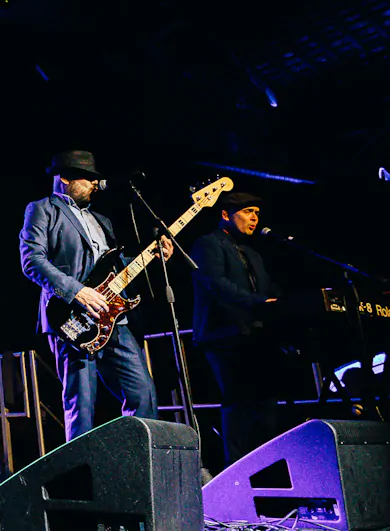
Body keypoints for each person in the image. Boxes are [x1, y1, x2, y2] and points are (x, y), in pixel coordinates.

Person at [19, 150, 170, 440]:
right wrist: (77, 292)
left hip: (114, 319)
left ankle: (137, 463)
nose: (94, 185)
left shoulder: (102, 220)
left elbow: (116, 269)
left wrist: (154, 255)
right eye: (87, 179)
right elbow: (32, 261)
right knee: (82, 403)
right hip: (71, 320)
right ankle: (80, 477)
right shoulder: (43, 209)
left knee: (144, 394)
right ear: (64, 179)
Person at [191, 191, 283, 466]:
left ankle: (269, 469)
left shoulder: (252, 253)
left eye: (256, 212)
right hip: (224, 335)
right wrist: (260, 302)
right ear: (225, 215)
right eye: (247, 211)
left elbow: (268, 289)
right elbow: (217, 285)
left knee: (266, 405)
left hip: (255, 336)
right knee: (239, 402)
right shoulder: (208, 244)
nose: (254, 218)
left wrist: (288, 304)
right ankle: (239, 471)